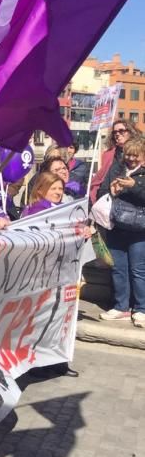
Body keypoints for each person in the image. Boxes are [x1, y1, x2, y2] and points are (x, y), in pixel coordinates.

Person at [97, 136, 145, 327]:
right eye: (129, 155)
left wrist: (135, 186)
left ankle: (141, 308)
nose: (132, 159)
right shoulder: (116, 169)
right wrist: (110, 189)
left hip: (139, 230)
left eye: (136, 155)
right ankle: (121, 306)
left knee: (138, 270)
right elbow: (101, 191)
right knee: (118, 269)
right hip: (117, 227)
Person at [90, 119, 137, 202]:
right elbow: (101, 179)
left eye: (121, 131)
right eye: (114, 132)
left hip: (132, 201)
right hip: (107, 200)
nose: (117, 134)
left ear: (130, 132)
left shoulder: (141, 153)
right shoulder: (109, 154)